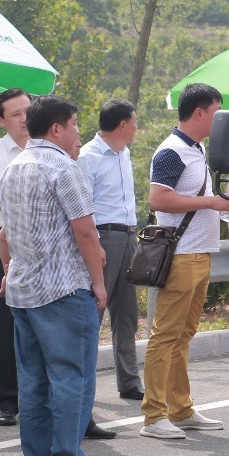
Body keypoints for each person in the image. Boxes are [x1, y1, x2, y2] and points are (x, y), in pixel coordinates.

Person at [0, 94, 116, 456]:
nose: (77, 131)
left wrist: (9, 272)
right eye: (74, 124)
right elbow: (86, 231)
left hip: (24, 293)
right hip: (63, 290)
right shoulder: (63, 167)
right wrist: (98, 282)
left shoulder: (13, 168)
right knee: (71, 379)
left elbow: (4, 234)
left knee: (33, 384)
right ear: (56, 128)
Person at [140, 83, 229, 440]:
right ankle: (154, 416)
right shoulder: (172, 151)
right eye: (216, 112)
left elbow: (194, 198)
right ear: (199, 113)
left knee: (182, 336)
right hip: (181, 256)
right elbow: (158, 200)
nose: (220, 120)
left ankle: (180, 409)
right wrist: (210, 202)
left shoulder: (196, 149)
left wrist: (223, 205)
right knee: (165, 337)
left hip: (200, 254)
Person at [76, 99, 143, 403]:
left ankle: (129, 382)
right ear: (122, 125)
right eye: (134, 121)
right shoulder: (88, 156)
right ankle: (82, 386)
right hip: (103, 238)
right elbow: (82, 206)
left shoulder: (124, 153)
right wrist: (94, 247)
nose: (137, 127)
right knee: (95, 313)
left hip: (128, 236)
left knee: (127, 314)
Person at [0, 87, 29, 428]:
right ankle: (6, 400)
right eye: (15, 114)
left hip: (44, 238)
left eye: (27, 111)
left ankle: (40, 398)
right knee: (5, 322)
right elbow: (5, 197)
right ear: (1, 120)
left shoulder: (48, 146)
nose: (24, 119)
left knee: (45, 319)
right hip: (5, 238)